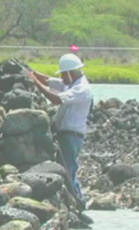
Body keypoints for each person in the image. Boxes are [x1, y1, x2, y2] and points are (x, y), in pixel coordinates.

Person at [28, 53, 92, 209]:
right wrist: (32, 72)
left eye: (64, 73)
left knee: (69, 171)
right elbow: (50, 81)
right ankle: (74, 201)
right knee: (66, 169)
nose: (62, 77)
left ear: (71, 72)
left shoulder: (81, 89)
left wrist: (35, 82)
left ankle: (78, 202)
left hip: (72, 136)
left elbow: (56, 99)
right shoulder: (71, 82)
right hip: (67, 134)